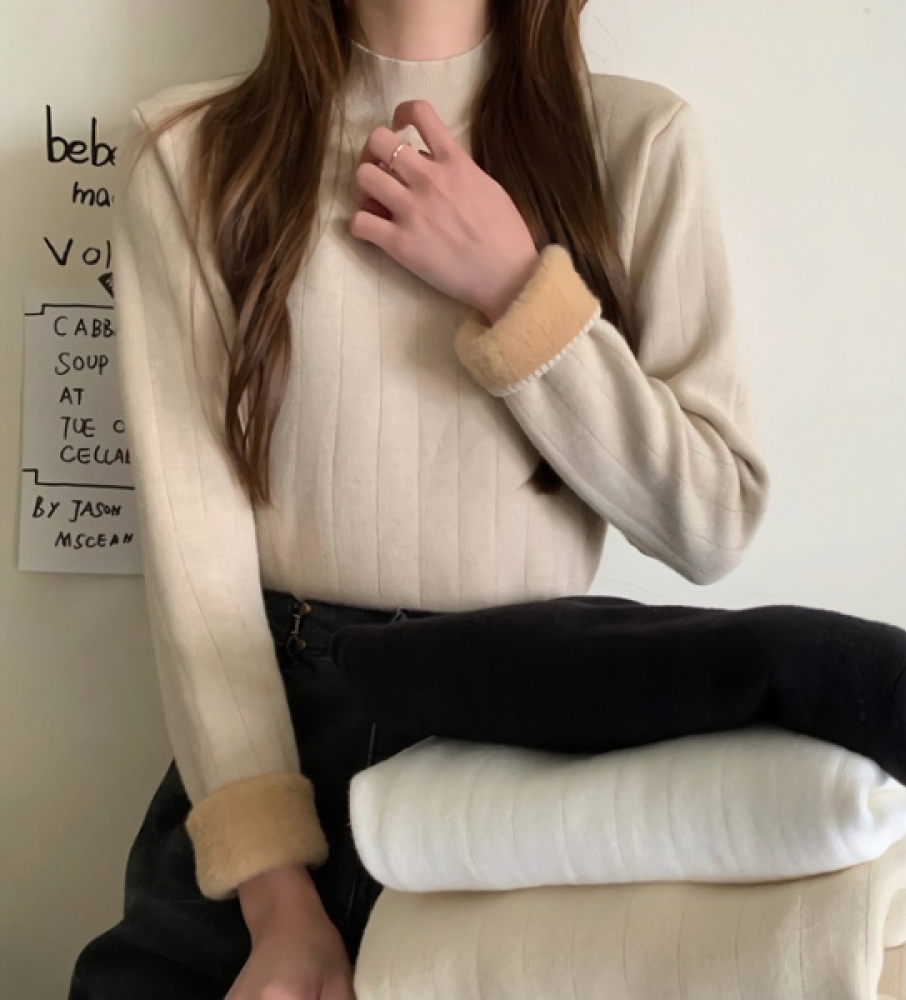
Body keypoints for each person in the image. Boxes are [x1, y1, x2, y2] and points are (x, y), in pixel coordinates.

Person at [67, 0, 770, 997]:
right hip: (275, 739)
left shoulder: (637, 141)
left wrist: (515, 287)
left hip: (529, 753)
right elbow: (197, 575)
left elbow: (711, 520)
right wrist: (279, 902)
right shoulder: (190, 154)